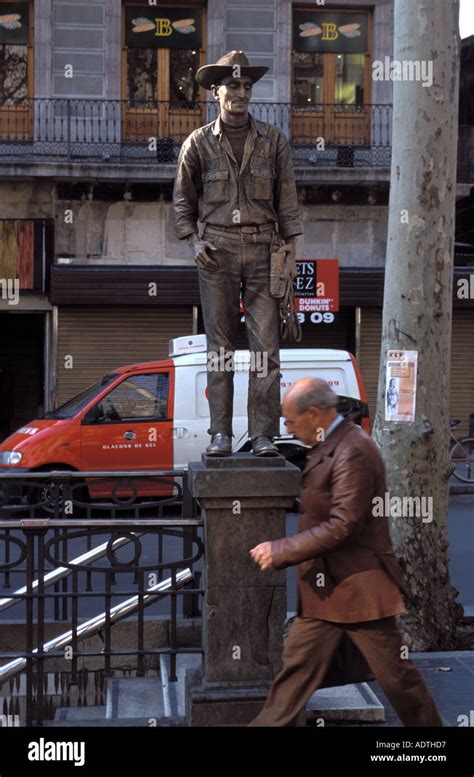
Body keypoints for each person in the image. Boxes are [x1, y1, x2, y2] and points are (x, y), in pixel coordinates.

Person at [248, 377, 442, 727]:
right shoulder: (331, 443)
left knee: (399, 681)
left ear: (314, 414)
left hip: (359, 590)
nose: (287, 428)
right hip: (327, 593)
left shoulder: (352, 449)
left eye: (291, 421)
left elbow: (344, 524)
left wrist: (281, 549)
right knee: (292, 680)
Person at [173, 51, 303, 457]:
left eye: (247, 86)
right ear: (217, 92)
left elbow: (288, 203)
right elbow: (182, 203)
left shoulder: (274, 141)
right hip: (217, 251)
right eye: (234, 85)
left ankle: (263, 434)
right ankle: (220, 435)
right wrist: (194, 242)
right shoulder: (197, 144)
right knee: (220, 348)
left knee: (266, 349)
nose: (242, 92)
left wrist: (291, 254)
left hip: (266, 249)